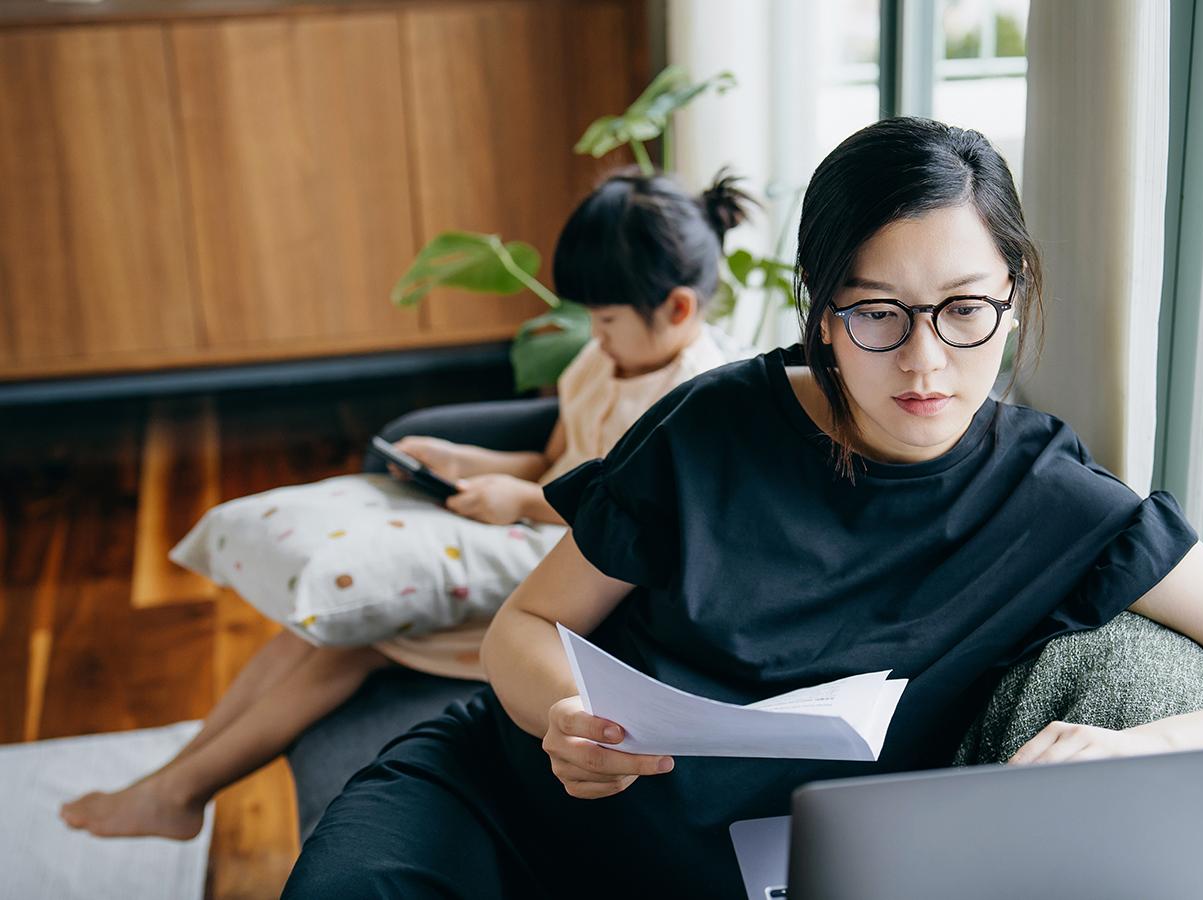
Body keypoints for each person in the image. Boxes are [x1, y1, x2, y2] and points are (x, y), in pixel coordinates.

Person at [282, 117, 1203, 898]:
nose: (924, 363)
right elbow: (527, 629)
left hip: (743, 872)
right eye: (877, 315)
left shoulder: (1050, 500)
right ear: (820, 313)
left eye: (964, 310)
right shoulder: (715, 424)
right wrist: (557, 719)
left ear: (1014, 302)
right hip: (513, 801)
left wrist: (1147, 750)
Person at [57, 169, 754, 841]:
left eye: (604, 318)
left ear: (679, 310)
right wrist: (462, 463)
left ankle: (178, 794)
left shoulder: (690, 403)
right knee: (310, 632)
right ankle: (172, 781)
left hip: (580, 589)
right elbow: (554, 461)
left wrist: (523, 501)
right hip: (527, 536)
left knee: (346, 646)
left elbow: (636, 527)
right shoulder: (605, 361)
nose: (593, 335)